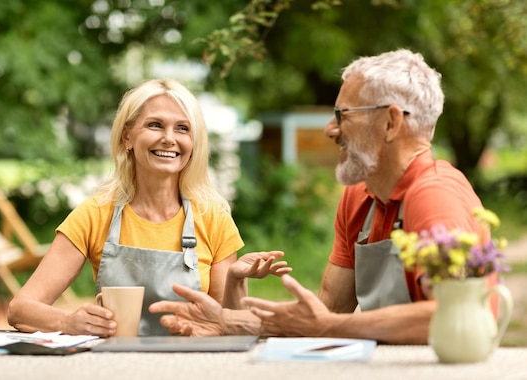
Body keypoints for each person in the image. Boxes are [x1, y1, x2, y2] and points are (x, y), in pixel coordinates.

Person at [149, 49, 490, 344]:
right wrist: (231, 322)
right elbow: (325, 313)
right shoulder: (360, 196)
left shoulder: (434, 197)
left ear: (390, 123)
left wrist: (329, 326)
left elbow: (452, 316)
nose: (330, 129)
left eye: (344, 115)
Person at [7, 78, 290, 337]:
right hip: (115, 368)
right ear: (127, 137)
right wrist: (68, 322)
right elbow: (20, 309)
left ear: (194, 143)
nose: (169, 138)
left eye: (182, 128)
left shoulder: (214, 218)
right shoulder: (95, 214)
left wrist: (235, 280)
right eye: (155, 125)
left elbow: (230, 327)